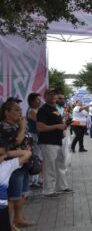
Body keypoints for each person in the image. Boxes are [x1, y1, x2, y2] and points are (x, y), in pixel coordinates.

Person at [0, 99, 34, 230]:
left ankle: (18, 218)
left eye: (20, 109)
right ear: (6, 112)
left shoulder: (17, 124)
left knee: (22, 193)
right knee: (12, 196)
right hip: (13, 166)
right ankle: (9, 224)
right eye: (16, 110)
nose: (20, 112)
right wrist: (23, 125)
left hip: (24, 163)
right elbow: (17, 140)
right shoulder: (4, 126)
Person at [37, 88, 73, 198]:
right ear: (45, 96)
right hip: (48, 142)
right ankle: (48, 190)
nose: (53, 96)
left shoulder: (54, 108)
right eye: (50, 94)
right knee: (49, 166)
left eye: (55, 94)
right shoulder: (43, 110)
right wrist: (57, 126)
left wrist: (62, 125)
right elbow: (40, 127)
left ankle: (61, 186)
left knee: (61, 164)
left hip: (58, 141)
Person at [0, 143, 31, 231]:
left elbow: (27, 153)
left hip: (2, 208)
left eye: (1, 155)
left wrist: (7, 153)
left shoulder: (7, 165)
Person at [26, 93, 42, 188]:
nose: (39, 101)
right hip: (34, 136)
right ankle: (32, 181)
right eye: (37, 100)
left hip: (37, 135)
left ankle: (35, 180)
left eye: (40, 100)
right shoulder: (31, 111)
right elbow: (40, 120)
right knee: (35, 158)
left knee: (38, 157)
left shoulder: (36, 110)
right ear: (31, 101)